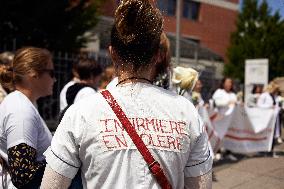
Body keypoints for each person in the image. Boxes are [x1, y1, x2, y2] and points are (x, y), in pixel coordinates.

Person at [41, 1, 212, 189]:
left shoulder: (81, 112)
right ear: (157, 55)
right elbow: (201, 185)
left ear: (112, 54)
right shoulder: (186, 111)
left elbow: (52, 185)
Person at [0, 47, 55, 189]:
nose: (54, 79)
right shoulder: (20, 110)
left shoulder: (23, 104)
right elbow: (23, 173)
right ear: (34, 74)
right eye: (51, 73)